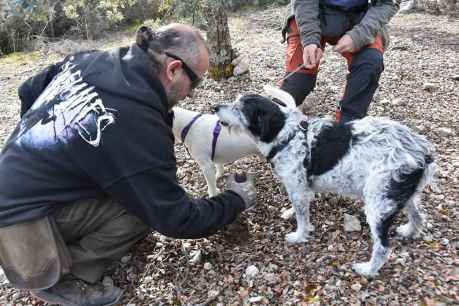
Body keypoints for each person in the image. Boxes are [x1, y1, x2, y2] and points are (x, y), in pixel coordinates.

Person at [0, 24, 256, 306]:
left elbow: (29, 90)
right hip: (18, 225)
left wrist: (51, 147)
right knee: (140, 211)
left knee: (130, 192)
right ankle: (57, 277)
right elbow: (177, 218)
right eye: (194, 82)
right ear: (173, 70)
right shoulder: (139, 125)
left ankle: (55, 246)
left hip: (11, 189)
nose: (192, 95)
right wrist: (234, 200)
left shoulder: (94, 59)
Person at [279, 0, 400, 123]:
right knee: (298, 83)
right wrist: (309, 39)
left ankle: (348, 123)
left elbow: (388, 3)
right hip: (309, 12)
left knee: (369, 63)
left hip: (359, 17)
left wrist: (359, 36)